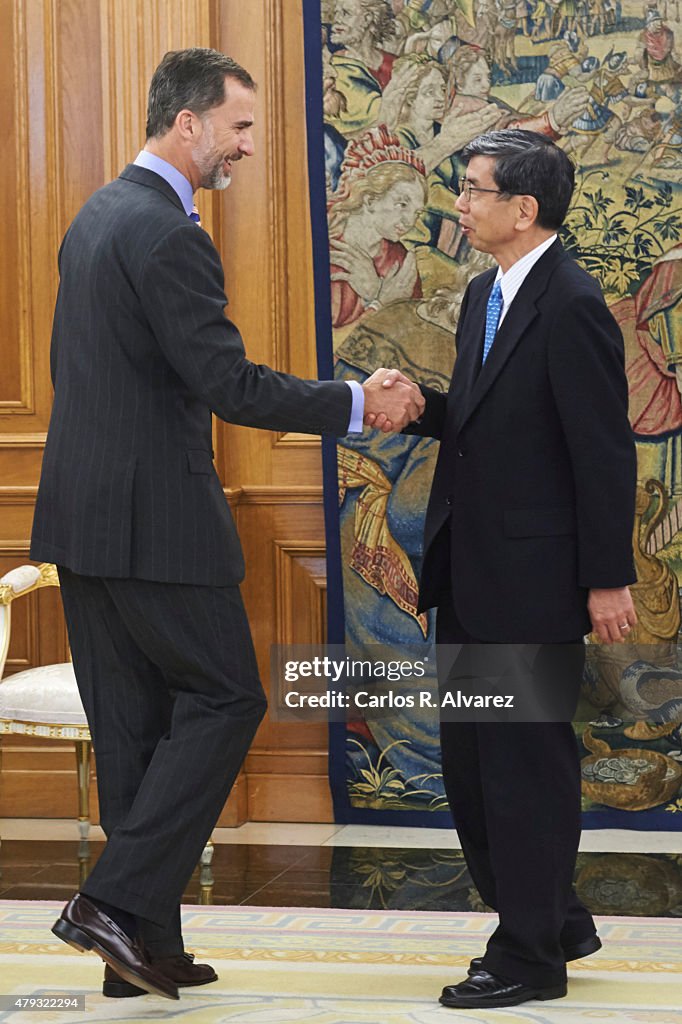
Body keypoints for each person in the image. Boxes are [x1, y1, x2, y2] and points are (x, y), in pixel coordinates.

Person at [30, 47, 424, 1002]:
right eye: (240, 128)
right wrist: (355, 403)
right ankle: (115, 901)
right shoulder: (169, 233)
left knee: (135, 731)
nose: (246, 148)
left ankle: (141, 953)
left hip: (85, 521)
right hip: (156, 525)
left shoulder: (96, 215)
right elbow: (228, 385)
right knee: (227, 698)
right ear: (190, 123)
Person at [371, 129, 637, 1009]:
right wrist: (420, 411)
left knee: (523, 776)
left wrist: (606, 579)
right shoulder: (488, 289)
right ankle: (553, 915)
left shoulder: (573, 303)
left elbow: (602, 454)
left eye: (475, 189)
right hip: (473, 574)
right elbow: (493, 425)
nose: (462, 202)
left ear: (524, 209)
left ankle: (528, 959)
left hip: (534, 584)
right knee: (475, 775)